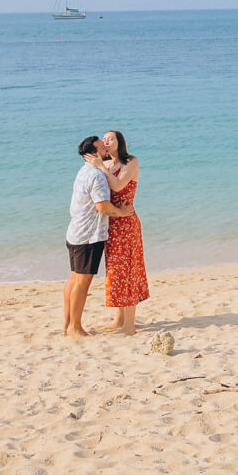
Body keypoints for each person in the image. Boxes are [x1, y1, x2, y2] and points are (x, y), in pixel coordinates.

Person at [63, 135, 133, 338]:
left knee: (73, 280)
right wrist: (121, 213)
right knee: (82, 283)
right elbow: (102, 206)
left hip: (75, 232)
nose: (106, 150)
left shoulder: (83, 171)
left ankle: (67, 325)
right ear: (94, 154)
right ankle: (75, 328)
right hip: (89, 236)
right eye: (102, 148)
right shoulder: (97, 175)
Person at [96, 129, 150, 335]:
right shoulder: (105, 164)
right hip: (111, 223)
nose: (106, 141)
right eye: (104, 139)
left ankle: (130, 324)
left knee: (128, 271)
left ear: (119, 141)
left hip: (127, 222)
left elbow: (118, 186)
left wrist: (101, 166)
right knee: (116, 271)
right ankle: (119, 319)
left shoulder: (131, 161)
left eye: (110, 138)